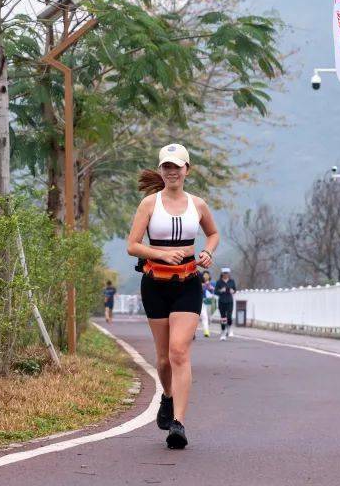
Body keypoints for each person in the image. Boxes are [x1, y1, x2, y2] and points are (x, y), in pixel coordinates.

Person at [126, 143, 219, 450]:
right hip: (155, 283)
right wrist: (160, 254)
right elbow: (133, 245)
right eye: (166, 166)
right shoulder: (149, 204)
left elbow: (214, 234)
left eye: (177, 167)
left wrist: (206, 251)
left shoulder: (198, 205)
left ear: (187, 170)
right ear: (161, 170)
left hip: (188, 282)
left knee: (180, 351)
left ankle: (178, 423)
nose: (172, 172)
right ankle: (167, 397)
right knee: (164, 358)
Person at [214, 268, 237, 340]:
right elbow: (215, 292)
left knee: (229, 316)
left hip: (230, 301)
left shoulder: (232, 281)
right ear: (222, 274)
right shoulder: (219, 282)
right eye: (224, 273)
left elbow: (235, 290)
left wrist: (233, 291)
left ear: (229, 274)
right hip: (222, 301)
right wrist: (221, 290)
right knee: (223, 317)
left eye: (227, 273)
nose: (226, 274)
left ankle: (229, 329)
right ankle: (223, 332)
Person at [196, 271, 214, 338]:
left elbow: (213, 292)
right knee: (195, 317)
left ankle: (206, 331)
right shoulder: (198, 283)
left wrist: (209, 287)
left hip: (206, 302)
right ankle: (192, 333)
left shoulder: (210, 284)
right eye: (205, 275)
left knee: (205, 317)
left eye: (207, 275)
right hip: (197, 301)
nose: (206, 277)